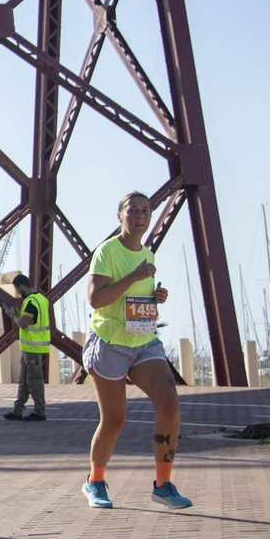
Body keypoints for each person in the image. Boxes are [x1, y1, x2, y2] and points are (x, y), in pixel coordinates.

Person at [83, 191, 191, 511]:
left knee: (170, 405)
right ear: (120, 216)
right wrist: (134, 277)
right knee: (114, 420)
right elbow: (96, 299)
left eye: (146, 211)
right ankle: (95, 481)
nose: (140, 216)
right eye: (133, 211)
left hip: (143, 341)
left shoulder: (148, 256)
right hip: (110, 342)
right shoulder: (107, 252)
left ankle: (163, 485)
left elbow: (135, 300)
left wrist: (155, 297)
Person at [2, 274, 52, 422]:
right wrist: (18, 314)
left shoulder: (31, 301)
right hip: (32, 347)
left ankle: (40, 411)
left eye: (17, 290)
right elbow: (33, 320)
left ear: (22, 286)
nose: (18, 293)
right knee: (24, 380)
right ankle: (17, 410)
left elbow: (23, 323)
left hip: (33, 347)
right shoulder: (41, 299)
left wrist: (12, 316)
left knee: (34, 380)